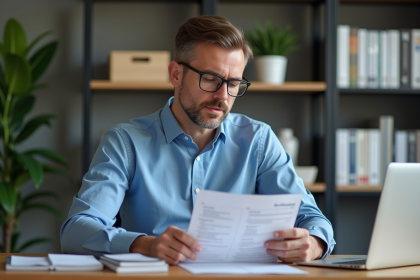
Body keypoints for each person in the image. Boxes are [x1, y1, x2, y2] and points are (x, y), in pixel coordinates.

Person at [61, 15, 335, 265]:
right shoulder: (125, 142)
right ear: (176, 74)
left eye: (234, 83)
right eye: (211, 78)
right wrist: (144, 245)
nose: (223, 96)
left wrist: (312, 244)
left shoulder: (258, 140)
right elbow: (76, 230)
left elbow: (312, 218)